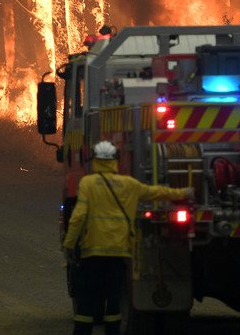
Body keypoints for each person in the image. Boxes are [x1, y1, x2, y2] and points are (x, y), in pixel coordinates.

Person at [61, 140, 192, 335]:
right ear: (115, 160)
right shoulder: (129, 184)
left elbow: (78, 217)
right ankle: (112, 331)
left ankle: (82, 331)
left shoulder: (88, 183)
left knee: (88, 300)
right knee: (113, 300)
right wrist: (184, 192)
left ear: (95, 160)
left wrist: (69, 244)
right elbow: (156, 192)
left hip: (92, 253)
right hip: (118, 252)